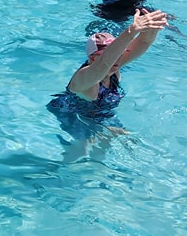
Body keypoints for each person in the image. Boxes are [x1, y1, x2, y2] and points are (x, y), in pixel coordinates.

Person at [47, 9, 167, 160]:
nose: (115, 60)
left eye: (119, 54)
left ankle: (97, 172)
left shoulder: (113, 69)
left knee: (124, 142)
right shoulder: (84, 78)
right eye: (111, 55)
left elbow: (143, 41)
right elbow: (104, 62)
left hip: (99, 116)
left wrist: (153, 28)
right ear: (91, 58)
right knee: (80, 152)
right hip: (72, 114)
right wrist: (131, 30)